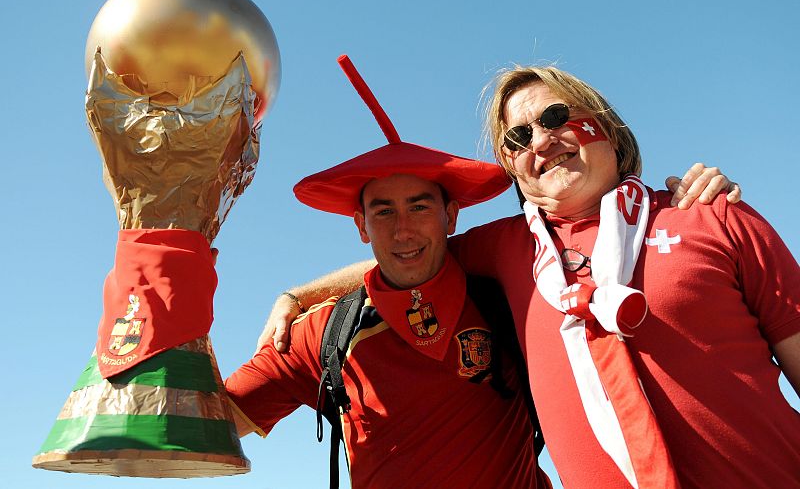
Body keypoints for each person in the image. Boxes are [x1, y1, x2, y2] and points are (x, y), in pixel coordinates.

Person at [263, 65, 799, 488]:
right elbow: (410, 252)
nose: (540, 141)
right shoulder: (508, 248)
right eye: (518, 138)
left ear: (608, 127)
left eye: (556, 116)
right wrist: (297, 294)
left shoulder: (712, 215)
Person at [225, 56, 552, 488]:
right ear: (361, 226)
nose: (403, 230)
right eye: (383, 212)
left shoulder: (509, 288)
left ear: (451, 217)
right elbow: (208, 422)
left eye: (419, 207)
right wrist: (167, 290)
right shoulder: (321, 333)